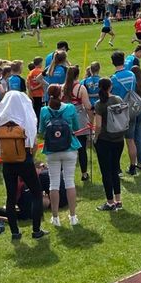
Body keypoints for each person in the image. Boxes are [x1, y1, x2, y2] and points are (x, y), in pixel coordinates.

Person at [0, 89, 46, 241]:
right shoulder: (25, 117)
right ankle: (36, 230)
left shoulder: (0, 119)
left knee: (11, 196)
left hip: (7, 161)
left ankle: (15, 232)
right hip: (24, 158)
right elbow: (33, 142)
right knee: (36, 193)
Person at [40, 84, 80, 226]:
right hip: (70, 148)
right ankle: (73, 216)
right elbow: (76, 127)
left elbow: (41, 130)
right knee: (70, 182)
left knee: (54, 183)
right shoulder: (70, 108)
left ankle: (55, 217)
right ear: (61, 94)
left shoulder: (44, 110)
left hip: (52, 150)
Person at [92, 77, 126, 212]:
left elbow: (98, 126)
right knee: (115, 170)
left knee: (106, 172)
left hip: (105, 140)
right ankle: (118, 200)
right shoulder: (118, 99)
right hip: (119, 139)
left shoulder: (99, 104)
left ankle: (110, 202)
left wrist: (95, 138)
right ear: (110, 87)